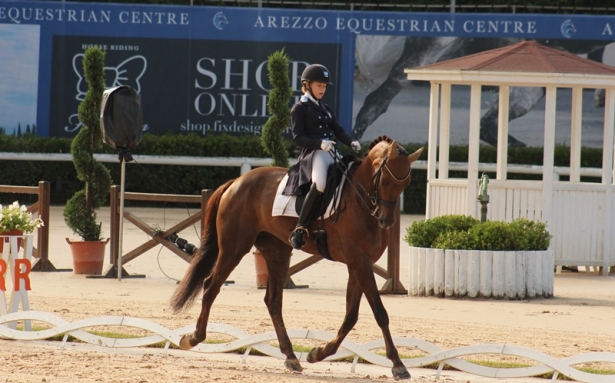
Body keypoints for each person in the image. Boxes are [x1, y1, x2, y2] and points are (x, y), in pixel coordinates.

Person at [282, 64, 361, 249]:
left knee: (349, 179)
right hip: (314, 153)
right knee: (320, 185)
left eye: (324, 87)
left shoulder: (325, 108)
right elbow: (298, 137)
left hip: (331, 151)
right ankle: (300, 228)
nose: (322, 90)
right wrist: (319, 144)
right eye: (319, 86)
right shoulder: (300, 108)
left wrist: (351, 142)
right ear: (307, 85)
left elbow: (338, 130)